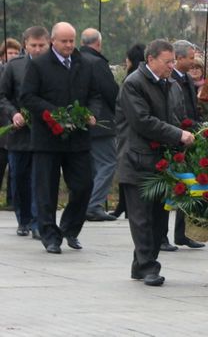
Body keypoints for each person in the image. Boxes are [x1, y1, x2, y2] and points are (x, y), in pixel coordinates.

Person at [116, 39, 195, 286]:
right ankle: (149, 267)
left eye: (173, 61)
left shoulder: (171, 84)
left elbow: (180, 118)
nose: (172, 66)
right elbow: (142, 121)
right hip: (137, 158)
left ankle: (140, 265)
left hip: (162, 160)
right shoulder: (133, 84)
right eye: (167, 61)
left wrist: (197, 132)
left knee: (158, 219)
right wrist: (177, 135)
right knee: (141, 218)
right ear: (151, 60)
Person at [21, 22, 100, 254]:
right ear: (53, 41)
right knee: (46, 189)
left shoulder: (84, 64)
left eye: (71, 41)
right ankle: (50, 236)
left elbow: (95, 95)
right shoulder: (39, 65)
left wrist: (91, 113)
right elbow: (27, 96)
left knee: (84, 185)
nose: (68, 45)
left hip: (78, 138)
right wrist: (53, 114)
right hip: (47, 139)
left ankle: (69, 228)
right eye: (64, 41)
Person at [0, 27, 50, 238]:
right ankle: (24, 218)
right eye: (33, 45)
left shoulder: (54, 67)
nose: (37, 49)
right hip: (19, 133)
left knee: (40, 178)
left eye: (42, 45)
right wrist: (14, 115)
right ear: (25, 45)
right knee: (20, 177)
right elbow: (3, 96)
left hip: (45, 132)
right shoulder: (14, 66)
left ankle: (39, 222)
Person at [160, 40, 205, 250]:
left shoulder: (186, 78)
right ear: (177, 58)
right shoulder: (169, 80)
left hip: (188, 136)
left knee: (186, 187)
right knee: (168, 190)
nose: (193, 60)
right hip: (173, 136)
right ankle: (160, 236)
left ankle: (182, 233)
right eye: (190, 57)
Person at [79, 28, 120, 222]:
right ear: (98, 43)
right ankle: (93, 205)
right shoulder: (97, 63)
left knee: (93, 164)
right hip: (101, 120)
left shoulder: (76, 59)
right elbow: (110, 92)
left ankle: (86, 203)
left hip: (80, 119)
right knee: (108, 162)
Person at [110, 43, 146, 219]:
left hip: (127, 133)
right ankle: (124, 205)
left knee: (126, 170)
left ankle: (124, 205)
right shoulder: (141, 79)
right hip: (133, 133)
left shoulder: (130, 80)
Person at [0, 38, 21, 206]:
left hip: (16, 126)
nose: (13, 55)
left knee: (15, 168)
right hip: (3, 124)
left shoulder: (19, 70)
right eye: (10, 53)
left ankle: (12, 200)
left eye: (16, 53)